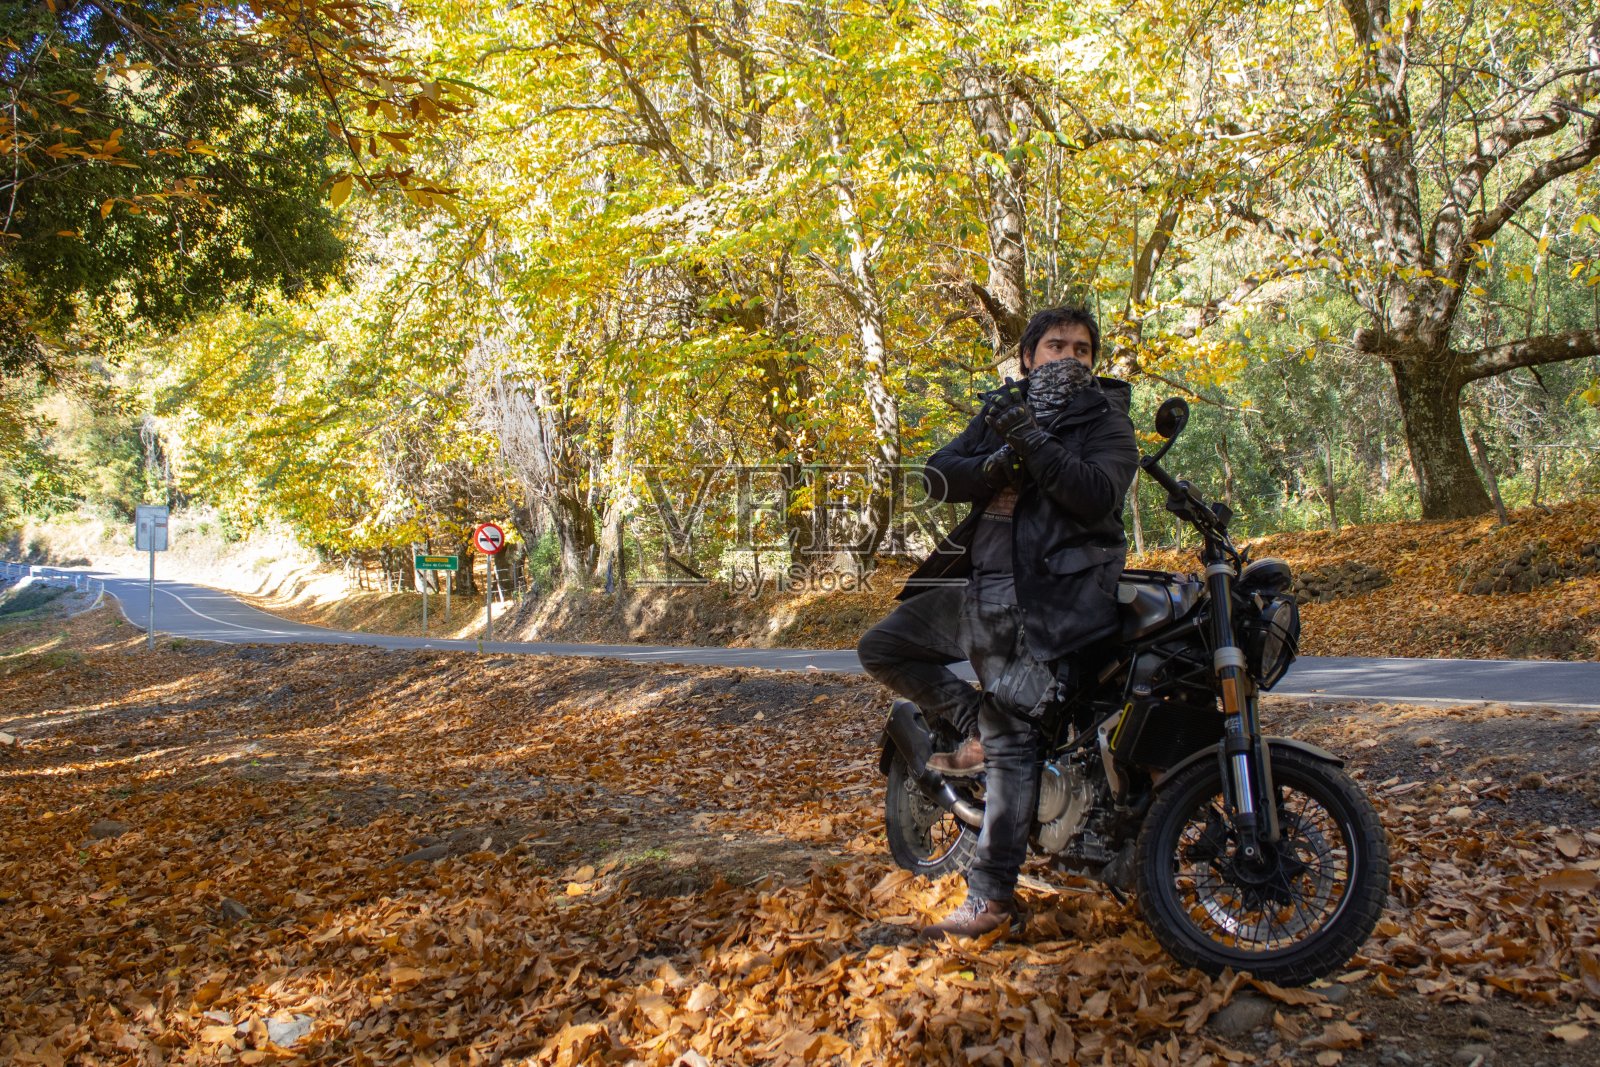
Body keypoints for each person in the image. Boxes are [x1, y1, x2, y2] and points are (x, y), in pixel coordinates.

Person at [857, 305, 1138, 939]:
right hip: (976, 589)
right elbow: (937, 473)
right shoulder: (1000, 409)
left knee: (1013, 738)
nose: (1069, 357)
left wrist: (1032, 446)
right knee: (883, 644)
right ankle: (968, 723)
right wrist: (995, 466)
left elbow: (1096, 494)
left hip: (1049, 600)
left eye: (1083, 349)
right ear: (1028, 357)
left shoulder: (1107, 421)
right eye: (1056, 347)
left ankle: (991, 898)